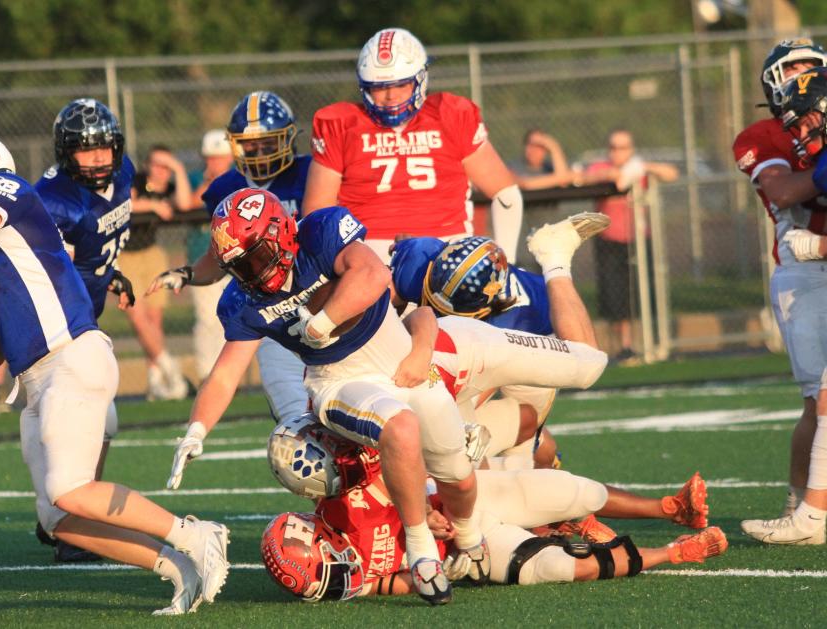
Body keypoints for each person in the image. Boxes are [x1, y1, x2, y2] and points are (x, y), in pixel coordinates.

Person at [0, 132, 229, 615]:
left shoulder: (3, 189)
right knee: (59, 518)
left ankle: (196, 534)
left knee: (68, 488)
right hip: (37, 379)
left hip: (70, 356)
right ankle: (176, 567)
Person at [165, 187, 485, 605]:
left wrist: (323, 320)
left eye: (257, 257)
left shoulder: (321, 232)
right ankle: (422, 550)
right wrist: (196, 429)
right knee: (400, 429)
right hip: (339, 381)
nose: (253, 275)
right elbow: (226, 373)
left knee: (458, 477)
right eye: (239, 267)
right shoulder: (244, 300)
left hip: (403, 365)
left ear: (281, 234)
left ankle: (470, 539)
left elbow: (373, 274)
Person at [261, 421, 724, 601]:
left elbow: (400, 464)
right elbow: (390, 582)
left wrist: (420, 510)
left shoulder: (345, 499)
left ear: (317, 535)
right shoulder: (344, 580)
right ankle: (675, 551)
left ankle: (670, 508)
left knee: (570, 489)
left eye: (330, 569)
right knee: (562, 568)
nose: (342, 576)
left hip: (468, 504)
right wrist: (439, 567)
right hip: (472, 554)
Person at [389, 213, 610, 469]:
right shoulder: (420, 258)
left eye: (446, 310)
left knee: (586, 360)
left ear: (479, 311)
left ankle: (555, 258)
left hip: (531, 332)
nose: (432, 306)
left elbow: (462, 391)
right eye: (430, 293)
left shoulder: (503, 323)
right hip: (473, 332)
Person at [149, 91, 313, 424]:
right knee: (296, 418)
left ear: (288, 138)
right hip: (272, 313)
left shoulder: (312, 173)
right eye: (250, 144)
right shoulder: (225, 187)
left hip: (319, 299)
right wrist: (188, 273)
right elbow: (220, 254)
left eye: (269, 142)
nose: (259, 151)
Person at [302, 27, 523, 262]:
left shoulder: (450, 115)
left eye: (401, 85)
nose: (390, 96)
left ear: (420, 80)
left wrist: (505, 263)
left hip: (448, 247)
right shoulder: (341, 124)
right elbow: (318, 213)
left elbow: (505, 194)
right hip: (369, 250)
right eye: (379, 87)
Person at [34, 98, 140, 562]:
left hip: (85, 319)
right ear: (64, 151)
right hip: (56, 328)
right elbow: (48, 275)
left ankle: (61, 516)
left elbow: (94, 248)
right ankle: (68, 524)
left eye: (105, 148)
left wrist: (108, 273)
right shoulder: (54, 203)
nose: (99, 158)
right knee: (90, 420)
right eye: (85, 150)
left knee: (99, 423)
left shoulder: (124, 173)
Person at [730, 39, 827, 525]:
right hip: (805, 268)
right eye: (794, 70)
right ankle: (802, 502)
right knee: (818, 399)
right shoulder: (764, 134)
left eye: (813, 68)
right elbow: (785, 190)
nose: (804, 78)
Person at [576, 129, 678, 362]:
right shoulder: (601, 168)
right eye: (614, 147)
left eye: (623, 147)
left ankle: (647, 343)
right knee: (614, 295)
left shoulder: (638, 168)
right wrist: (616, 173)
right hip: (610, 240)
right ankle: (623, 346)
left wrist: (646, 168)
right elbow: (586, 178)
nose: (618, 152)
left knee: (641, 291)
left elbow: (671, 173)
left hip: (638, 241)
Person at [122, 145, 190, 400]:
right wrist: (152, 205)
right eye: (157, 165)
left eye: (166, 166)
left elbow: (183, 202)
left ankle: (155, 381)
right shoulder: (137, 181)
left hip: (151, 253)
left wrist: (178, 168)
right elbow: (125, 203)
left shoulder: (170, 187)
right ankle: (168, 366)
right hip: (124, 254)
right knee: (137, 317)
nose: (161, 171)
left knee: (154, 318)